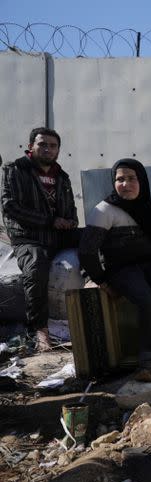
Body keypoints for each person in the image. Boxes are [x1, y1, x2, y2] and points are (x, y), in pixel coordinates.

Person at [78, 158, 151, 382]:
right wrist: (102, 280)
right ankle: (150, 363)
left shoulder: (146, 206)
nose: (125, 184)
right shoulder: (104, 210)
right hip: (121, 268)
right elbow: (86, 251)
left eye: (131, 178)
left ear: (141, 181)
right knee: (147, 301)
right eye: (120, 179)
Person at [1, 127, 79, 350]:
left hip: (59, 234)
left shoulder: (61, 176)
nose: (48, 149)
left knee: (96, 238)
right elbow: (10, 206)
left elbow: (71, 208)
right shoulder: (15, 169)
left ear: (58, 150)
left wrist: (70, 221)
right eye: (42, 144)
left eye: (53, 146)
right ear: (31, 146)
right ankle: (41, 331)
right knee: (35, 267)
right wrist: (50, 221)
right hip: (29, 237)